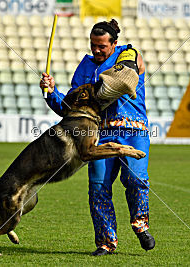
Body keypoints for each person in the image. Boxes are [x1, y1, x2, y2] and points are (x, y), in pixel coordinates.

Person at [39, 19, 154, 256]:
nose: (97, 50)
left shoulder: (128, 54)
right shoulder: (84, 67)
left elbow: (127, 76)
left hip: (134, 131)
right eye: (94, 45)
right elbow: (70, 108)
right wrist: (52, 92)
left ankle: (140, 224)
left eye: (102, 46)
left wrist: (97, 88)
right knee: (98, 188)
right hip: (98, 134)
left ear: (114, 43)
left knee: (135, 179)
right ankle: (106, 242)